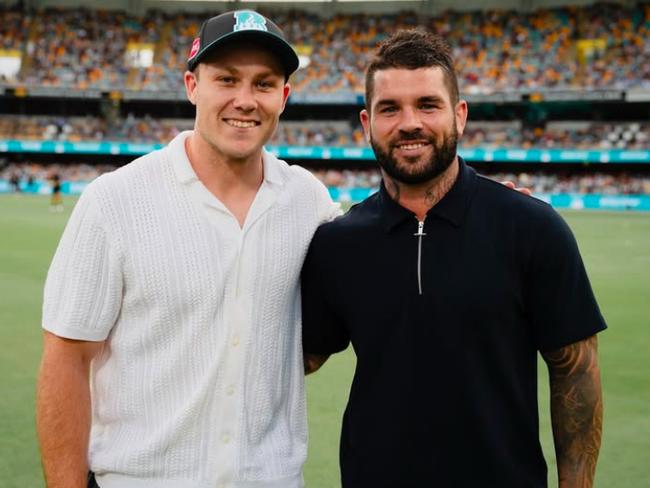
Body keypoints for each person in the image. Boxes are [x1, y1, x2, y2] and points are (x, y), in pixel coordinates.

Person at [36, 10, 339, 488]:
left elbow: (339, 312)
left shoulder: (310, 201)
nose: (245, 100)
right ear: (192, 85)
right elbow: (66, 360)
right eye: (226, 80)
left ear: (283, 96)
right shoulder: (115, 200)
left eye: (263, 84)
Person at [301, 30, 606, 488]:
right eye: (390, 108)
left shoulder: (531, 228)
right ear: (367, 122)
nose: (409, 123)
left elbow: (575, 372)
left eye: (428, 104)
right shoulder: (338, 243)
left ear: (459, 115)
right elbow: (299, 357)